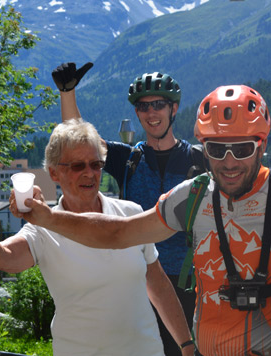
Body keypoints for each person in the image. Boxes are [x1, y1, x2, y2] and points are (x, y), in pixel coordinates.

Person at [18, 85, 271, 355]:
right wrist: (47, 218)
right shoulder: (192, 196)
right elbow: (119, 233)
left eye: (241, 147)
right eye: (216, 148)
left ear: (262, 145)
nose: (229, 161)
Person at [0, 119, 194, 356]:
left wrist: (186, 345)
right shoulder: (43, 226)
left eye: (96, 164)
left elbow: (159, 285)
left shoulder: (130, 213)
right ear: (54, 173)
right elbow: (0, 258)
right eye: (78, 166)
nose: (89, 173)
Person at [52, 62, 204, 355]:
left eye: (158, 105)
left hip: (189, 285)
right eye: (143, 107)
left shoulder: (198, 160)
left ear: (173, 109)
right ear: (137, 113)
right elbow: (80, 139)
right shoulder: (128, 159)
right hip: (136, 281)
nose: (151, 113)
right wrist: (67, 93)